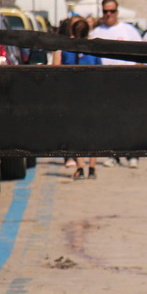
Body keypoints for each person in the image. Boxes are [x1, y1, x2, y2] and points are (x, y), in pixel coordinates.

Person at [91, 0, 141, 168]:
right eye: (105, 11)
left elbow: (140, 55)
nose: (108, 15)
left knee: (129, 119)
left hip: (128, 80)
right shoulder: (96, 32)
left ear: (117, 12)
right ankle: (113, 153)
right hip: (106, 82)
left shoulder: (129, 30)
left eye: (111, 11)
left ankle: (132, 154)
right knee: (110, 120)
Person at [53, 16, 102, 179]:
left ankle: (80, 166)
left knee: (74, 132)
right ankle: (93, 167)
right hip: (92, 96)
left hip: (71, 96)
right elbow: (100, 71)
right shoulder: (93, 48)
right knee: (92, 132)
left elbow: (55, 70)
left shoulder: (65, 48)